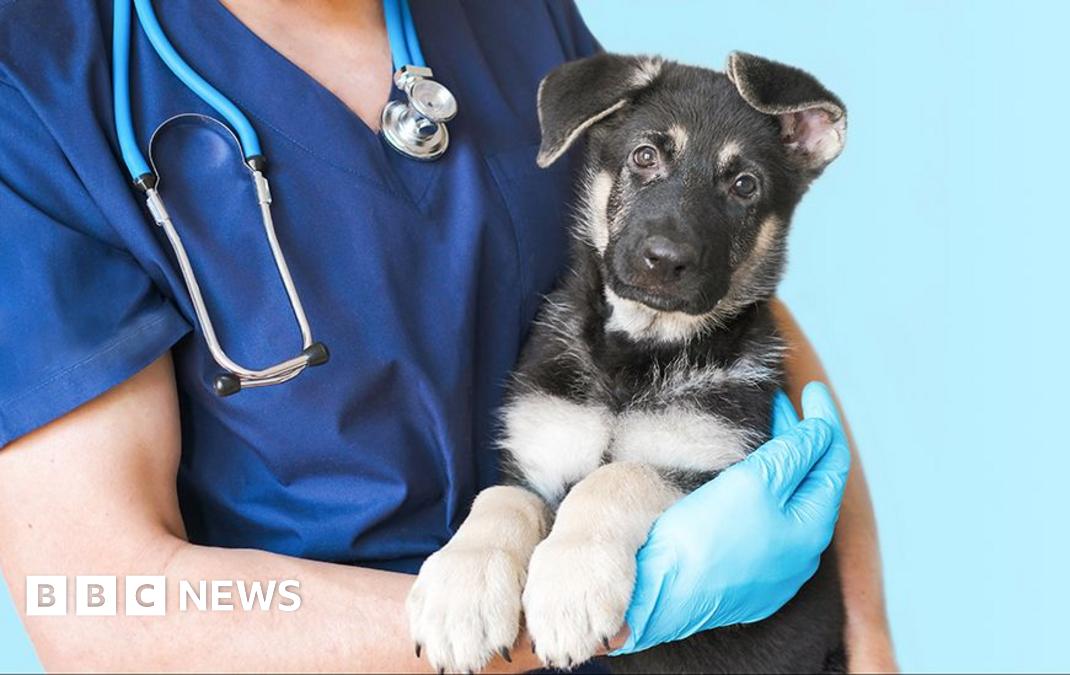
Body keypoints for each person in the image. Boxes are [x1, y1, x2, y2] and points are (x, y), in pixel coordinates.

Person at [0, 1, 896, 671]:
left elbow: (711, 293)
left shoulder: (509, 14)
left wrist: (871, 643)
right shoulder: (40, 83)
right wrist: (524, 608)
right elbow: (100, 603)